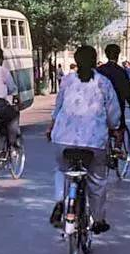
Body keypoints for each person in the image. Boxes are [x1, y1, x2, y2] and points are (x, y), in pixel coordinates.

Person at [47, 45, 121, 234]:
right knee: (97, 181)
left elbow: (58, 109)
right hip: (93, 143)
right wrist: (114, 129)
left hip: (63, 139)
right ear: (95, 60)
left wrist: (51, 128)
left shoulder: (67, 81)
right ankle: (98, 220)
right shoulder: (103, 83)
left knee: (62, 170)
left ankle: (60, 201)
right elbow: (113, 115)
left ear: (76, 61)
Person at [97, 44, 130, 129]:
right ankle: (119, 139)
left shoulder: (99, 70)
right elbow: (127, 90)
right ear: (118, 55)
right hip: (118, 104)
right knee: (120, 126)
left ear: (106, 55)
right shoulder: (121, 71)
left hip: (100, 104)